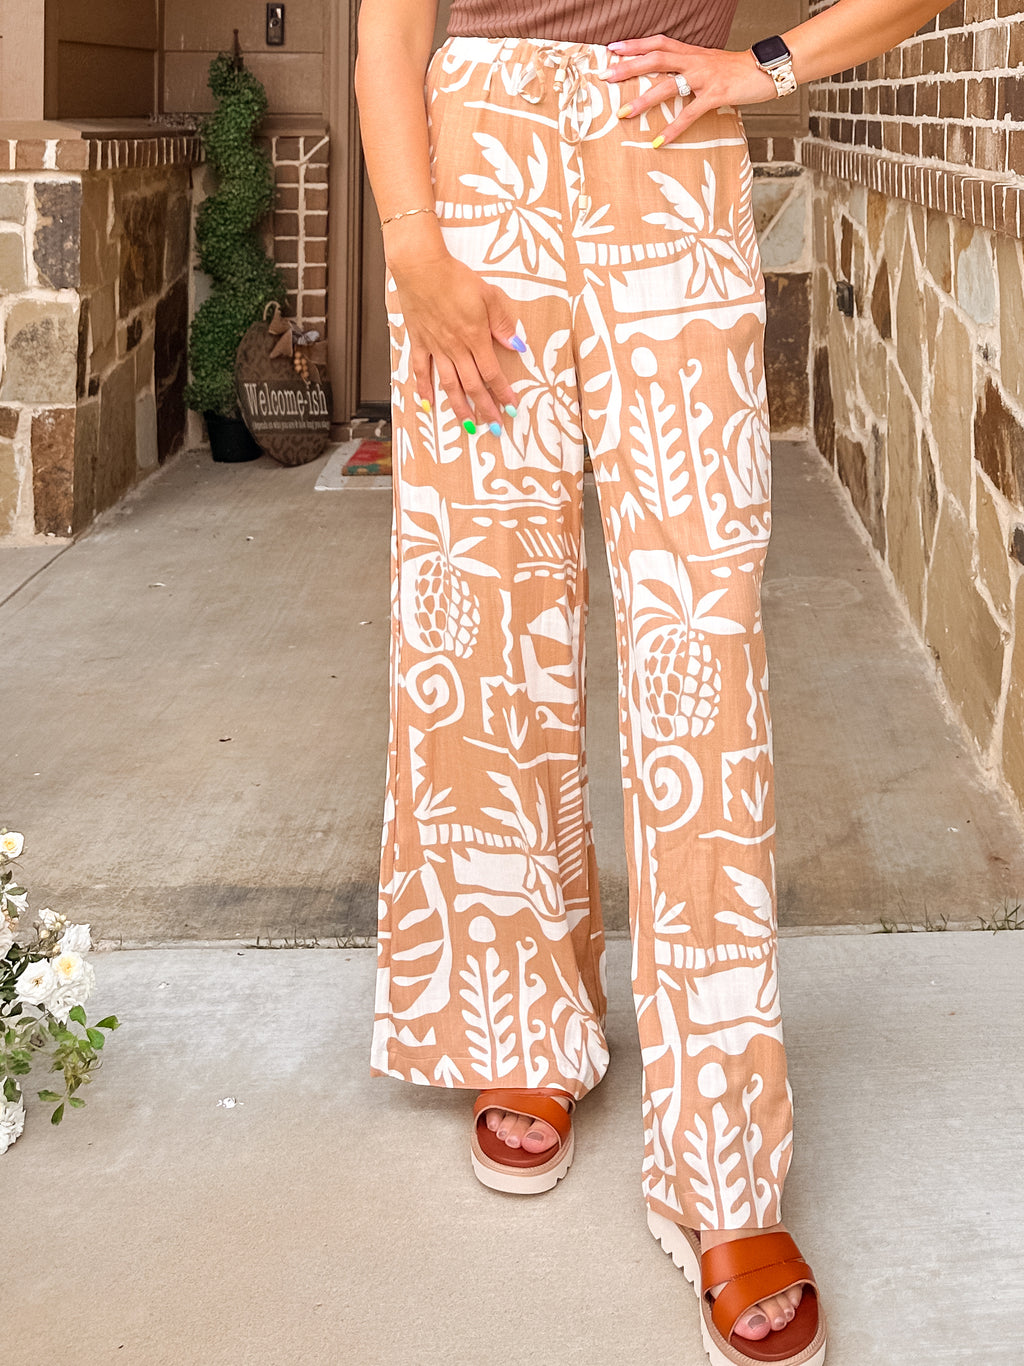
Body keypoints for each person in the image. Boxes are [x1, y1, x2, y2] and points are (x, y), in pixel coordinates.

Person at [356, 3, 951, 1362]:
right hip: (475, 180)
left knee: (701, 641)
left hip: (670, 150)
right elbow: (386, 28)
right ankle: (521, 1021)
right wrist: (414, 248)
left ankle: (724, 1161)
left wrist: (770, 66)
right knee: (486, 623)